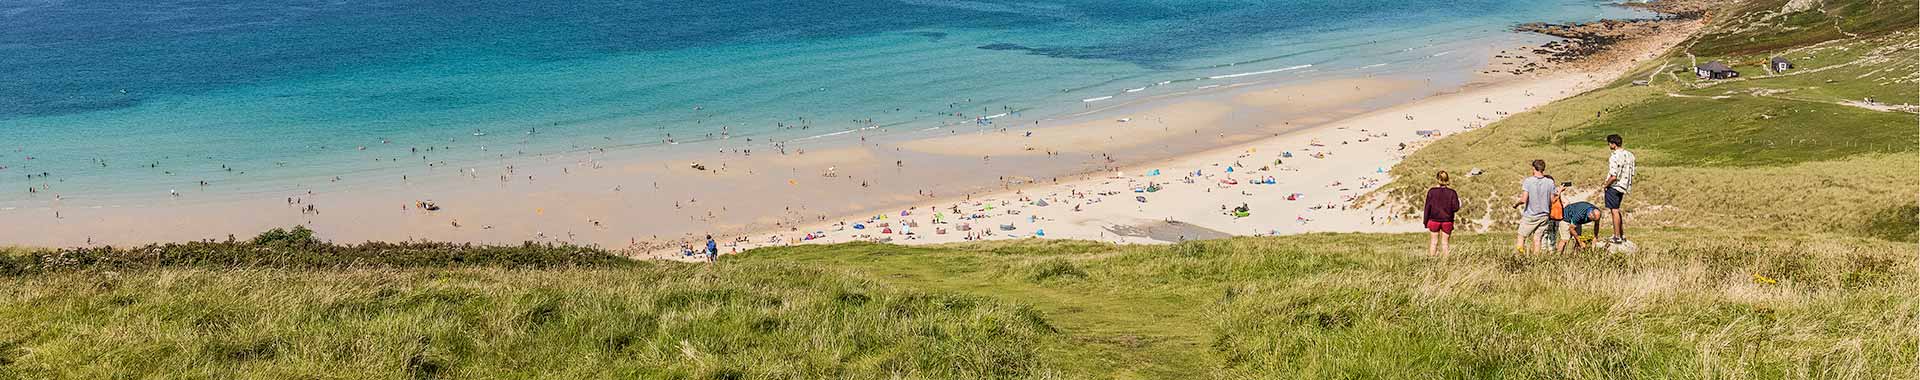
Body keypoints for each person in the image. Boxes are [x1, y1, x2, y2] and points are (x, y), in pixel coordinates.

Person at [1511, 160, 1555, 253]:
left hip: (1531, 215)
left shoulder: (1528, 181)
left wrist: (1515, 204)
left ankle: (1519, 257)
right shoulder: (1550, 182)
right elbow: (1552, 200)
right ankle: (1536, 260)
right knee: (1537, 239)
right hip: (1544, 215)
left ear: (1533, 168)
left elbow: (1523, 200)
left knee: (1521, 236)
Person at [1603, 134, 1635, 244]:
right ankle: (1621, 234)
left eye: (1609, 143)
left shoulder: (1614, 156)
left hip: (1614, 186)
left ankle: (1616, 236)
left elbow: (1614, 175)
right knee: (1617, 209)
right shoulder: (1630, 155)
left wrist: (1605, 185)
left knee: (1614, 211)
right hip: (1624, 185)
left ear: (1613, 144)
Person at [1424, 171, 1461, 257]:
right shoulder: (1452, 192)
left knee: (1433, 242)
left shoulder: (1431, 192)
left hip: (1433, 220)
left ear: (1437, 179)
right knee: (1445, 243)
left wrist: (1425, 222)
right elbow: (1455, 208)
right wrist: (1459, 203)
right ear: (1447, 179)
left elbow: (1427, 208)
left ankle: (1432, 262)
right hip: (1447, 221)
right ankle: (1446, 263)